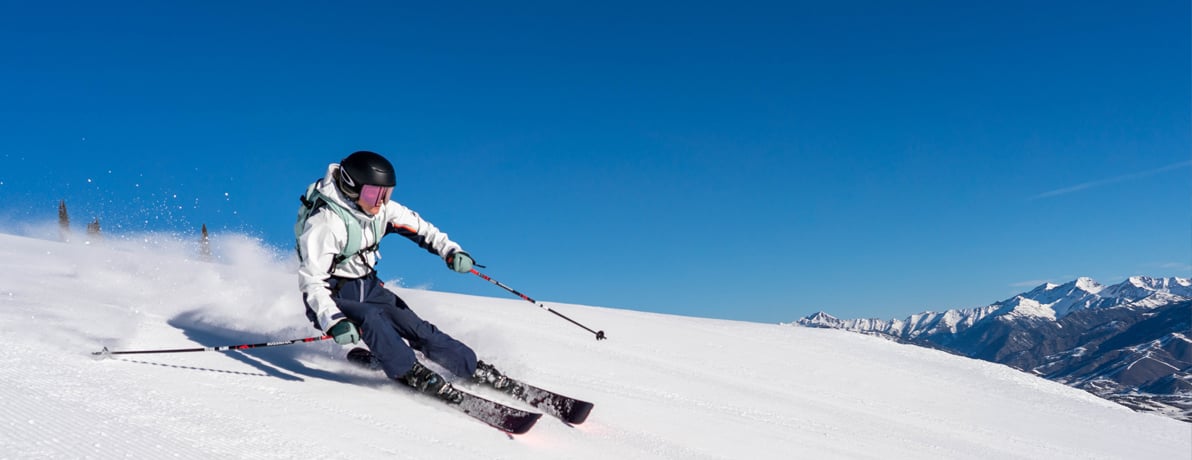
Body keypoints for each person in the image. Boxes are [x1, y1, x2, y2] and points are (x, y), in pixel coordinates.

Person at [295, 150, 507, 402]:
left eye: (386, 193)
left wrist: (451, 251)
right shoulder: (326, 223)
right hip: (333, 295)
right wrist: (334, 320)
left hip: (369, 286)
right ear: (351, 187)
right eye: (372, 194)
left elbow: (423, 229)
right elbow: (312, 280)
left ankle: (470, 367)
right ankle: (410, 372)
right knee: (371, 319)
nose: (379, 202)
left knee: (416, 327)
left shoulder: (382, 211)